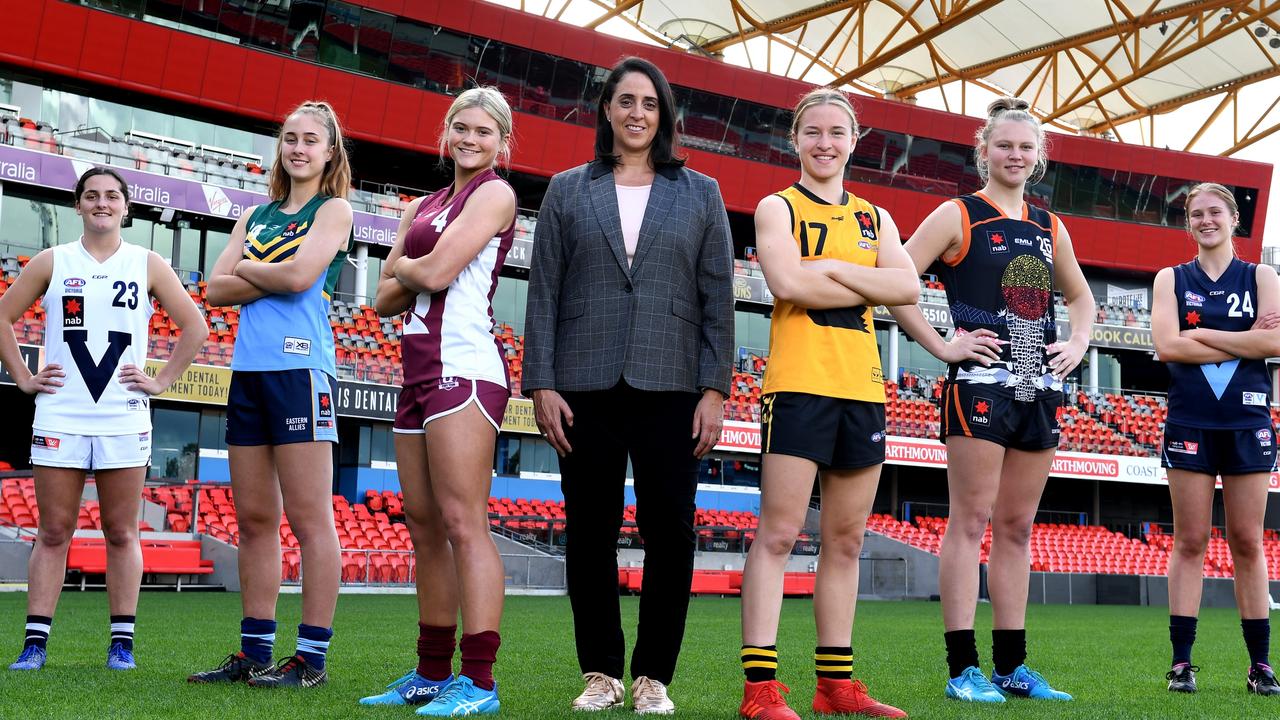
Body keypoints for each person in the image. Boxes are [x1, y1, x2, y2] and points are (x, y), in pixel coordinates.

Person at [523, 56, 734, 714]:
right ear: (606, 111)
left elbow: (718, 297)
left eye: (649, 102)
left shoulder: (703, 193)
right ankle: (601, 673)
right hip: (583, 385)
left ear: (664, 115)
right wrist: (542, 383)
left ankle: (652, 677)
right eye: (625, 101)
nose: (637, 112)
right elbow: (545, 291)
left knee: (670, 531)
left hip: (673, 385)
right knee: (589, 530)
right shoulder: (566, 189)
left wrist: (716, 389)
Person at [889, 98, 1094, 703]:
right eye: (1004, 145)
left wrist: (1079, 343)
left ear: (1039, 157)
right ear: (983, 151)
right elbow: (895, 277)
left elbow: (1081, 299)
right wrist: (940, 344)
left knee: (1017, 527)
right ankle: (963, 670)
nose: (1015, 155)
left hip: (1037, 386)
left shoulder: (1049, 225)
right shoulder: (958, 214)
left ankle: (1012, 668)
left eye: (1026, 147)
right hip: (979, 386)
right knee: (971, 520)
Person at [737, 88, 916, 720]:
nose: (824, 143)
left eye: (836, 132)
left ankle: (835, 686)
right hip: (798, 384)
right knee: (780, 535)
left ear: (853, 140)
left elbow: (908, 285)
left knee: (846, 542)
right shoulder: (776, 207)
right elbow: (786, 283)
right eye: (812, 132)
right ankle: (760, 690)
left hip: (863, 388)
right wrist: (863, 276)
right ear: (794, 139)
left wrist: (831, 269)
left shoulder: (875, 217)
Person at [1, 167, 208, 671]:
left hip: (123, 412)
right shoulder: (53, 261)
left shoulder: (147, 262)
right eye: (91, 195)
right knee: (54, 531)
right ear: (78, 206)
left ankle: (122, 643)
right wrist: (24, 378)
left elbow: (195, 327)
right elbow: (2, 316)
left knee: (122, 532)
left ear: (126, 207)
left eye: (111, 196)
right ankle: (35, 643)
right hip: (61, 411)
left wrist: (160, 382)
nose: (101, 203)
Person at [358, 86, 517, 716]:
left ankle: (478, 681)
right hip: (416, 369)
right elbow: (381, 299)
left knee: (462, 523)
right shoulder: (424, 204)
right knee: (423, 526)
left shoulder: (496, 193)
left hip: (466, 369)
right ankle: (430, 670)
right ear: (445, 135)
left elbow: (431, 275)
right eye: (461, 128)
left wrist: (410, 267)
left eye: (484, 131)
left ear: (502, 142)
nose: (470, 140)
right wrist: (412, 269)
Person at [188, 100, 353, 689]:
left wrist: (252, 269)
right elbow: (213, 289)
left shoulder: (334, 210)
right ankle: (255, 651)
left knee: (311, 522)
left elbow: (299, 279)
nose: (299, 148)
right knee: (256, 519)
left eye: (311, 140)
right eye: (290, 138)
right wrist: (268, 269)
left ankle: (311, 660)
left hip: (302, 373)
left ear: (330, 151)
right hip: (249, 372)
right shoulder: (256, 214)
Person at [1151, 182, 1280, 696]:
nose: (1206, 220)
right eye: (1196, 214)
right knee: (1190, 541)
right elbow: (1164, 345)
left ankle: (1261, 666)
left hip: (1247, 422)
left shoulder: (1262, 275)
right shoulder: (1170, 278)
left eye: (1215, 212)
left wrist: (1198, 335)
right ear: (1188, 224)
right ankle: (1182, 664)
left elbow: (1274, 341)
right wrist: (1241, 338)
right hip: (1190, 421)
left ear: (1233, 220)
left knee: (1248, 541)